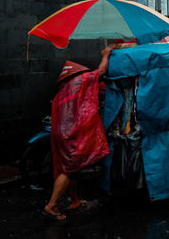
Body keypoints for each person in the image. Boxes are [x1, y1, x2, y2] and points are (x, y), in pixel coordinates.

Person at [43, 47, 112, 221]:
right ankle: (51, 205)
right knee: (69, 169)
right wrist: (106, 54)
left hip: (61, 134)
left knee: (72, 168)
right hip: (71, 134)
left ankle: (74, 200)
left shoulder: (63, 90)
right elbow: (102, 71)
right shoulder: (81, 80)